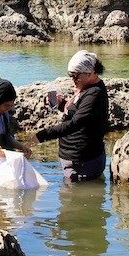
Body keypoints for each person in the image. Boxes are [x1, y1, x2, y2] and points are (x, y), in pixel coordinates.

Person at [35, 50, 109, 182]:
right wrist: (60, 104)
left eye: (75, 75)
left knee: (74, 198)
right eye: (70, 75)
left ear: (89, 73)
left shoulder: (94, 94)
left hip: (83, 163)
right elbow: (77, 112)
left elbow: (75, 123)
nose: (72, 79)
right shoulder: (86, 87)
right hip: (76, 160)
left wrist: (41, 136)